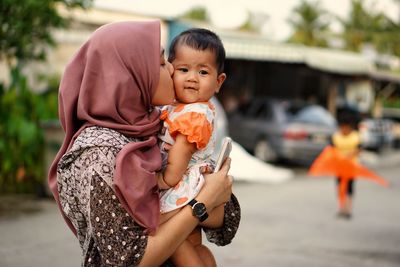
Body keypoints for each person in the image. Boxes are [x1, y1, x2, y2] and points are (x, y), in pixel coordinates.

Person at [48, 21, 241, 267]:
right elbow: (129, 260)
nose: (172, 70)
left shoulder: (152, 125)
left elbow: (226, 217)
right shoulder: (96, 153)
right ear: (129, 76)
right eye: (162, 63)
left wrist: (213, 197)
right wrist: (201, 204)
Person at [155, 28, 227, 267]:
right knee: (194, 242)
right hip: (192, 183)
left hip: (180, 181)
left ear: (218, 82)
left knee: (170, 236)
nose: (192, 78)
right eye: (184, 70)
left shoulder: (195, 113)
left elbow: (181, 152)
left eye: (203, 71)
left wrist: (164, 180)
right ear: (171, 70)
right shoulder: (176, 107)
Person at [331, 113, 361, 219]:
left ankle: (348, 210)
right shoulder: (336, 136)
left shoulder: (355, 136)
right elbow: (332, 150)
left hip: (351, 166)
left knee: (349, 188)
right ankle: (341, 208)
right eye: (342, 127)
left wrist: (349, 155)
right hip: (339, 166)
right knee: (340, 188)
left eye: (346, 127)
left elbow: (359, 149)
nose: (344, 129)